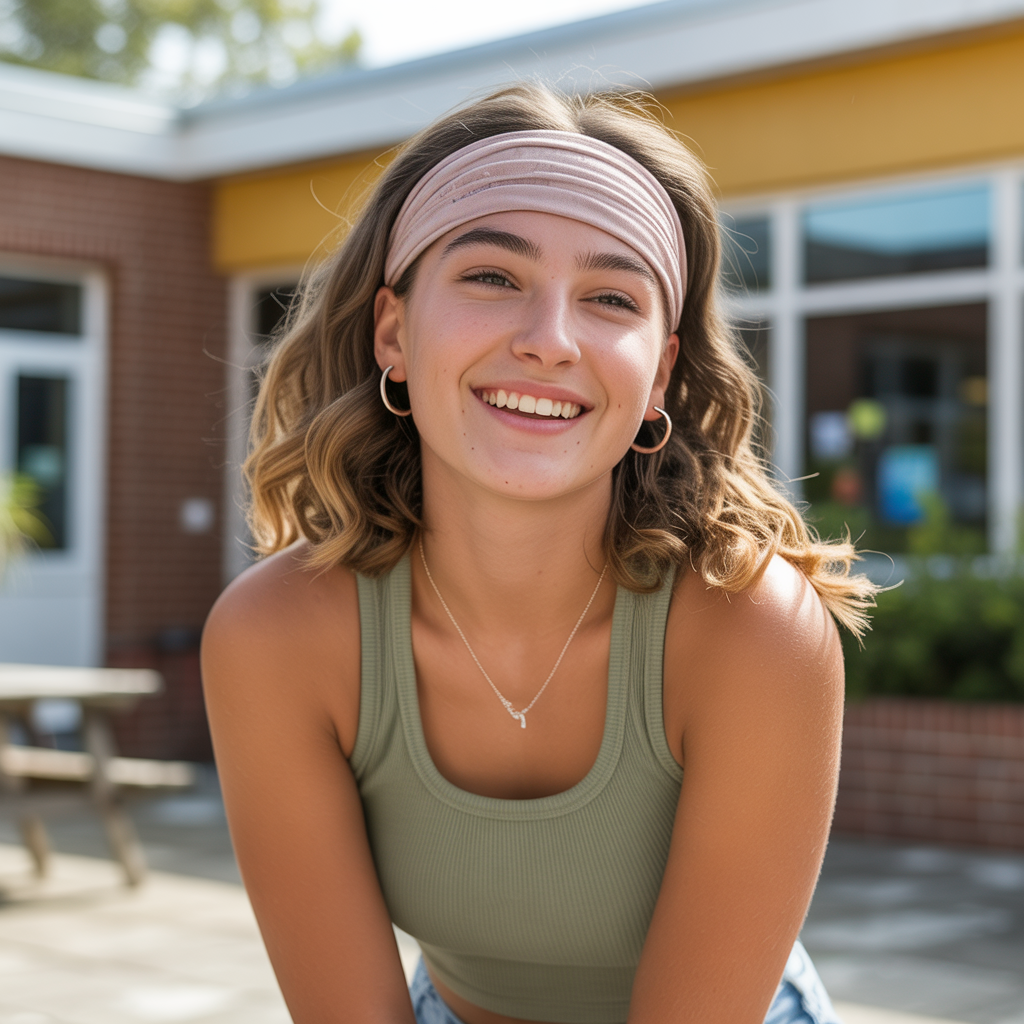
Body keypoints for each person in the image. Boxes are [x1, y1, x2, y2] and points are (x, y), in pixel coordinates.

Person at [201, 83, 875, 1024]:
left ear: (660, 375)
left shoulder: (753, 629)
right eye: (492, 277)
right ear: (394, 331)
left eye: (609, 298)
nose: (549, 341)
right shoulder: (275, 636)